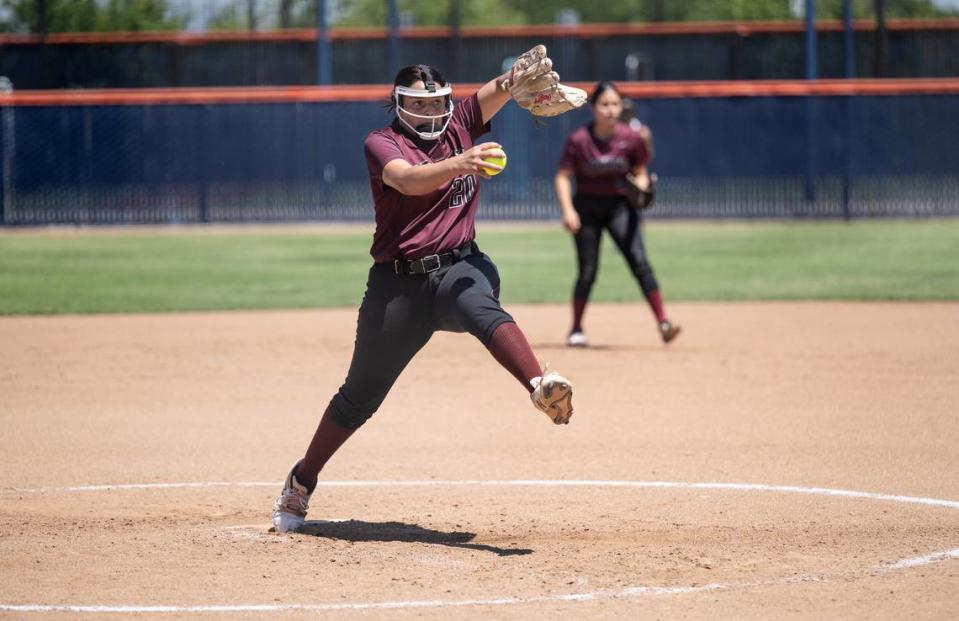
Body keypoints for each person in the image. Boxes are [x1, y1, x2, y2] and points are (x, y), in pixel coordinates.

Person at [272, 53, 578, 533]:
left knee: (477, 301)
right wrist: (463, 161)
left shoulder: (460, 122)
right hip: (399, 285)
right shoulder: (381, 142)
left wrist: (514, 76)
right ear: (398, 104)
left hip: (460, 265)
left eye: (438, 103)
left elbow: (495, 90)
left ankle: (539, 386)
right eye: (418, 104)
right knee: (359, 397)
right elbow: (407, 180)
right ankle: (302, 479)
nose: (431, 114)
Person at [554, 81, 680, 348]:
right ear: (593, 108)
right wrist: (568, 210)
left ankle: (663, 323)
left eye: (615, 104)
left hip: (620, 207)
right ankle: (576, 329)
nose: (611, 110)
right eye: (604, 104)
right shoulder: (579, 140)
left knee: (640, 262)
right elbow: (563, 176)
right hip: (587, 207)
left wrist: (642, 186)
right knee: (587, 271)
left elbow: (641, 171)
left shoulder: (631, 138)